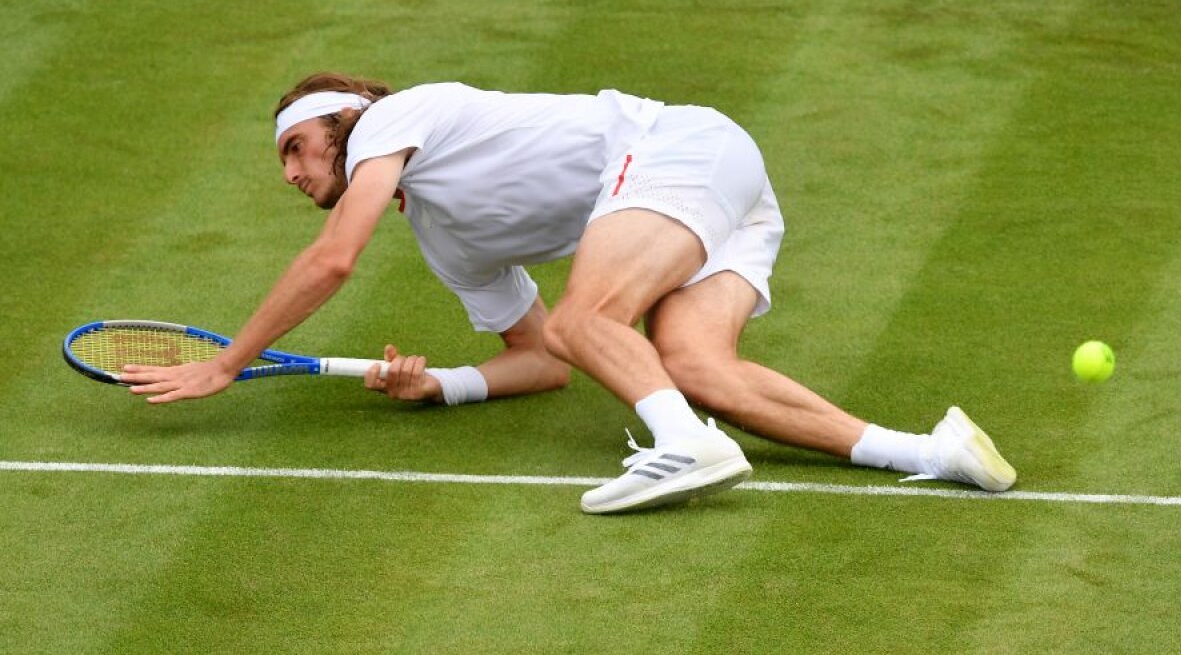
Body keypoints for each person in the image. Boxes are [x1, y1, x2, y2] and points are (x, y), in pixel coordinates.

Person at [121, 73, 1017, 513]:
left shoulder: (394, 116)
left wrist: (226, 365)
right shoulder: (446, 241)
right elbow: (543, 360)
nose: (290, 173)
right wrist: (444, 385)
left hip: (683, 150)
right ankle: (930, 453)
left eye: (295, 148)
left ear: (346, 123)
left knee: (592, 314)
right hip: (724, 194)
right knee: (693, 367)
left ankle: (687, 445)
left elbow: (333, 261)